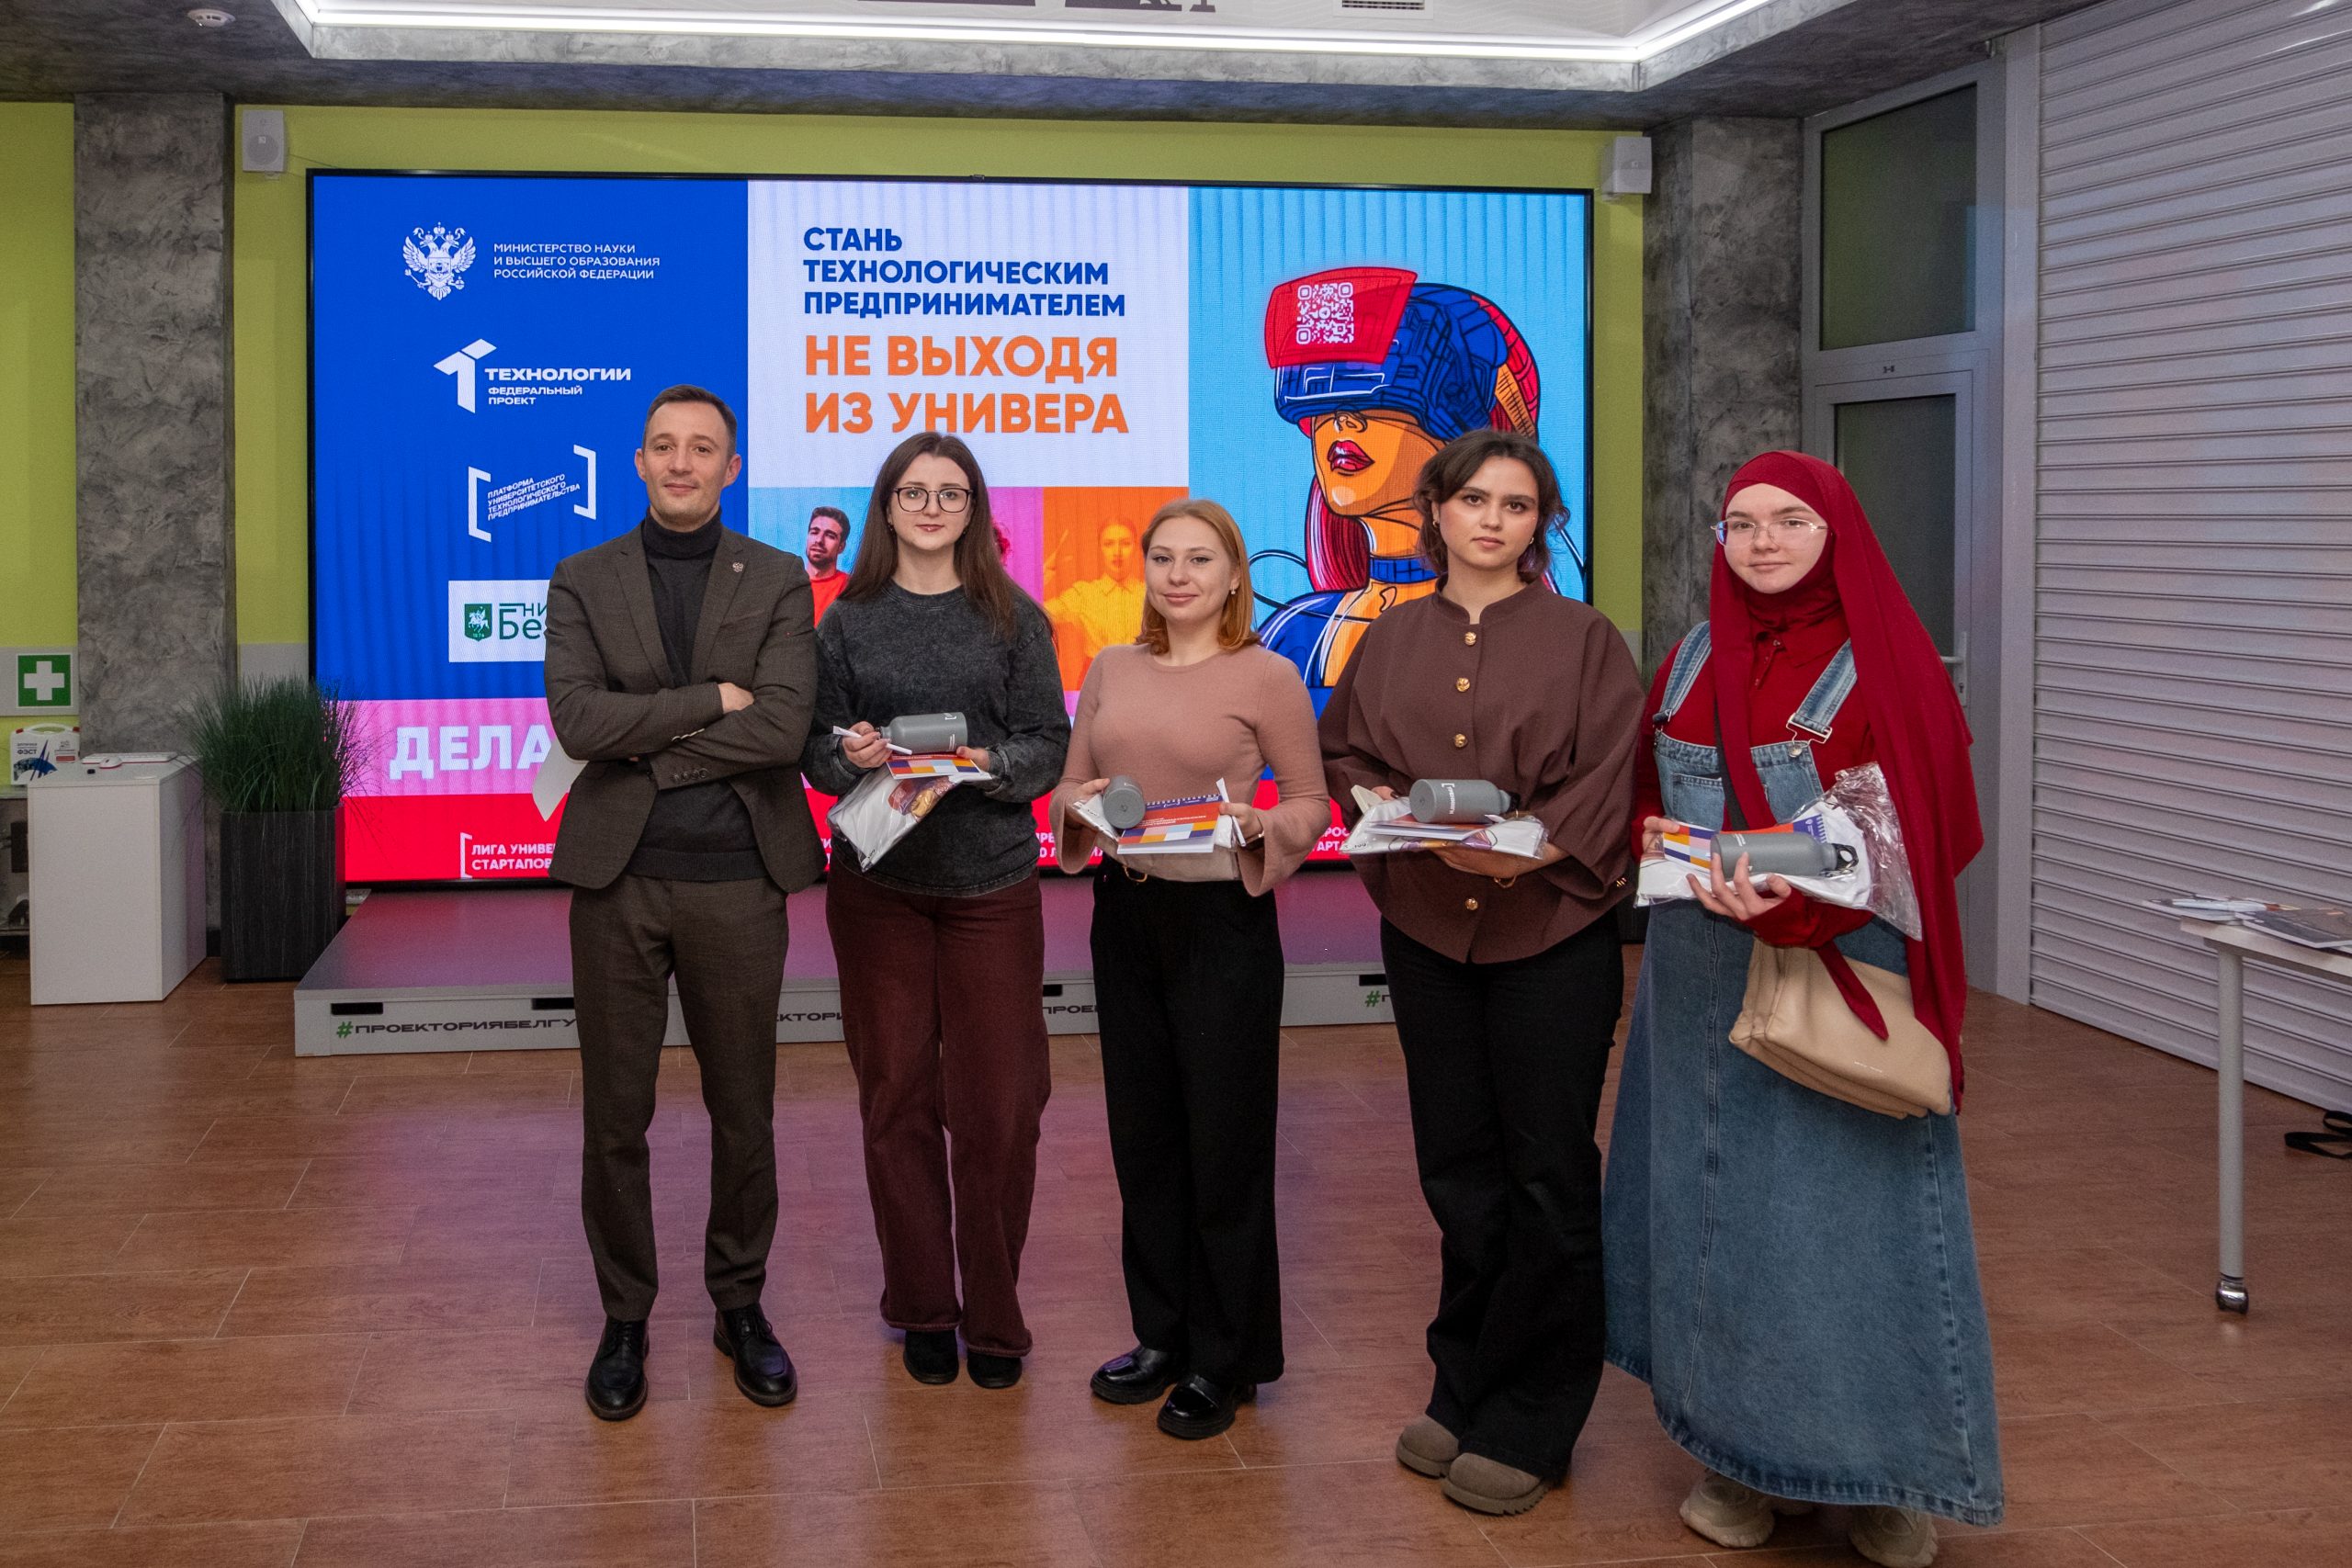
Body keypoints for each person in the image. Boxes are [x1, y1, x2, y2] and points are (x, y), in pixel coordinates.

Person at [1600, 450, 2002, 1568]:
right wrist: (1653, 839)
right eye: (1740, 523)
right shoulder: (1687, 659)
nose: (1762, 542)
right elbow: (1648, 793)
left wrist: (1794, 905)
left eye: (1788, 521)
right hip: (1697, 979)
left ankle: (1886, 1479)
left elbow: (1936, 830)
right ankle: (1733, 1459)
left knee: (1855, 1229)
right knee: (1715, 1221)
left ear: (1836, 534)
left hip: (1841, 970)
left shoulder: (1890, 663)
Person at [1320, 428, 1644, 1517]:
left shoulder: (1585, 639)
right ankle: (1461, 1387)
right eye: (1473, 500)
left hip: (1550, 931)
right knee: (1457, 1171)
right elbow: (1347, 752)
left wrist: (1527, 850)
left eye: (1516, 504)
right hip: (1425, 930)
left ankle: (1532, 1420)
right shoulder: (1390, 635)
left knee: (1546, 1173)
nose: (1492, 520)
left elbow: (1609, 776)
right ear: (1437, 511)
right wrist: (1380, 805)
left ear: (1540, 524)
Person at [543, 384, 822, 1421]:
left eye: (702, 448)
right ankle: (625, 1317)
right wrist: (710, 701)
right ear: (638, 461)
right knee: (615, 1114)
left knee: (743, 1109)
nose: (681, 462)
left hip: (740, 879)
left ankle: (739, 1304)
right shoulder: (582, 577)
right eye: (663, 445)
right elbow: (579, 722)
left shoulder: (779, 576)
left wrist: (649, 749)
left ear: (730, 468)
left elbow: (783, 728)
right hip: (616, 882)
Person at [1050, 499, 1328, 1440]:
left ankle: (1226, 1357)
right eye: (1163, 557)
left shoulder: (1268, 675)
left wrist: (1261, 825)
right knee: (1145, 1140)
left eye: (1199, 559)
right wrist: (1081, 803)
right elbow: (1070, 785)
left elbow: (1310, 802)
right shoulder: (1110, 667)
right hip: (1125, 914)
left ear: (1233, 575)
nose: (1177, 575)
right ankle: (1162, 1335)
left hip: (1221, 924)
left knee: (1224, 1144)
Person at [799, 431, 1070, 1391]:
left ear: (973, 509)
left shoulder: (1014, 617)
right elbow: (815, 751)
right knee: (896, 1100)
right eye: (912, 492)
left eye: (950, 493)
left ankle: (993, 1313)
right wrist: (850, 754)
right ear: (885, 507)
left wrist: (985, 765)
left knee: (1001, 1108)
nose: (930, 508)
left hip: (990, 890)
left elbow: (1047, 744)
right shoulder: (846, 622)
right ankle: (922, 1305)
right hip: (878, 888)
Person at [1260, 266, 1545, 701]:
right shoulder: (1294, 632)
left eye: (1379, 398)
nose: (1342, 421)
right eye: (1320, 406)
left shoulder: (1543, 635)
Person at [1046, 516, 1145, 688]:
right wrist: (1046, 572)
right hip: (1094, 683)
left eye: (1125, 543)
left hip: (1141, 682)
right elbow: (1032, 615)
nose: (1117, 552)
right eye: (1109, 544)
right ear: (1100, 549)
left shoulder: (1152, 596)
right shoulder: (1083, 594)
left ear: (1136, 548)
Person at [806, 505, 850, 621]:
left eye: (830, 536)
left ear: (841, 547)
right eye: (814, 532)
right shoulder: (788, 584)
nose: (819, 540)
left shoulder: (850, 588)